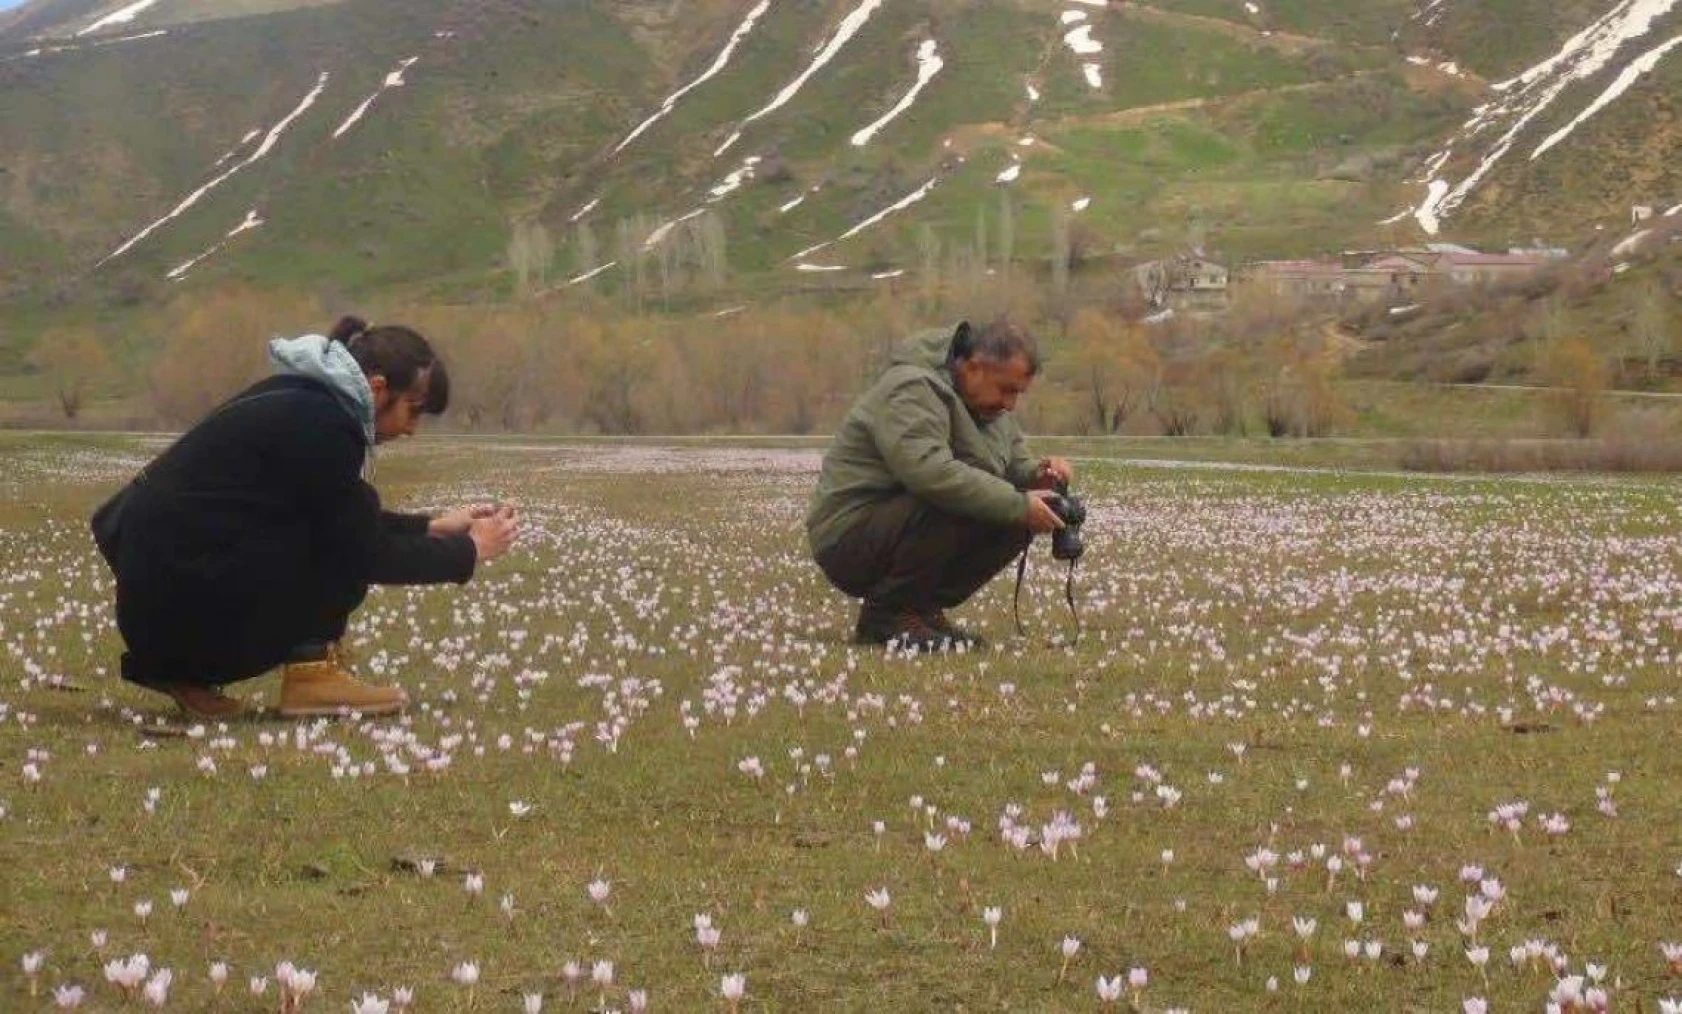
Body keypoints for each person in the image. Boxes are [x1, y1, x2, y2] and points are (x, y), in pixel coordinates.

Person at [90, 315, 519, 719]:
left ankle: (188, 674)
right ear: (377, 388)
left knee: (323, 534)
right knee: (333, 551)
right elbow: (361, 550)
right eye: (412, 410)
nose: (412, 429)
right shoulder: (324, 427)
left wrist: (431, 527)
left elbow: (335, 512)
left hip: (159, 612)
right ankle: (313, 677)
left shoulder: (305, 402)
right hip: (176, 620)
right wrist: (470, 550)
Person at [806, 316, 1073, 650]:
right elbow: (929, 473)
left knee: (1020, 514)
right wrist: (1017, 503)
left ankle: (920, 609)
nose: (1010, 405)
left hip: (900, 525)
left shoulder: (986, 405)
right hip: (849, 535)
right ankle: (887, 616)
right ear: (974, 367)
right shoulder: (911, 387)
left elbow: (1014, 465)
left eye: (1017, 394)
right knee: (957, 496)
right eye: (1006, 390)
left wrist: (1041, 475)